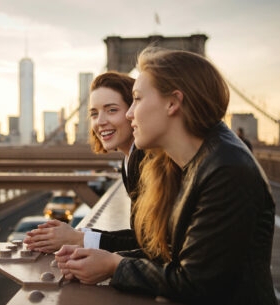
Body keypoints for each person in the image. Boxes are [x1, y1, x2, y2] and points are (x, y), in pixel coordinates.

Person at [55, 47, 277, 305]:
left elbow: (195, 283)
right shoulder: (196, 161)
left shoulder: (226, 170)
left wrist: (115, 266)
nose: (129, 113)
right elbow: (168, 253)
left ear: (172, 103)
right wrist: (94, 255)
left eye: (136, 99)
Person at [24, 71, 145, 253]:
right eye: (94, 114)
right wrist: (80, 235)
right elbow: (143, 239)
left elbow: (154, 247)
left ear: (133, 112)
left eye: (112, 110)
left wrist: (81, 239)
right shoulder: (129, 161)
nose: (100, 121)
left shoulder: (145, 160)